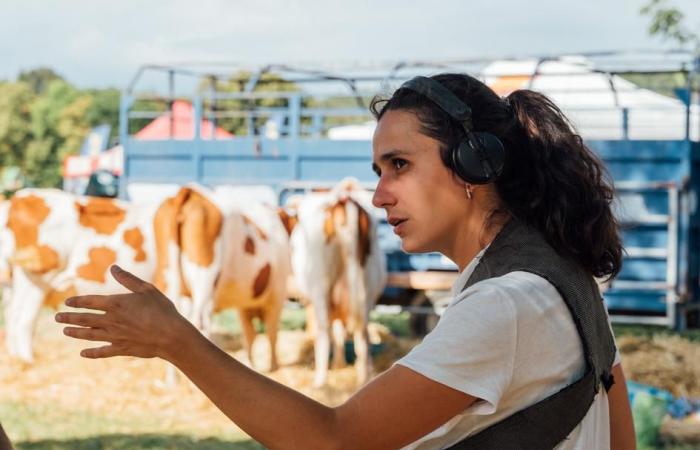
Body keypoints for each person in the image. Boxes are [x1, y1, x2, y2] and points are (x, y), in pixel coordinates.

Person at [55, 73, 635, 449]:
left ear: (474, 164)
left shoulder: (506, 302)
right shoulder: (559, 277)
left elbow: (335, 441)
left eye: (399, 165)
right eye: (379, 172)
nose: (379, 195)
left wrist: (179, 342)